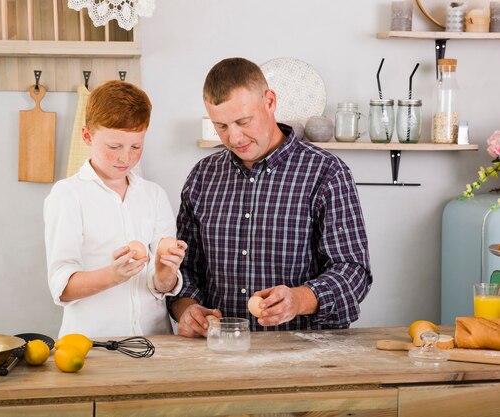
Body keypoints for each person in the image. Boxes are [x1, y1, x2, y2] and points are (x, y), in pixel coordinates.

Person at [168, 58, 372, 337]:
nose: (235, 137)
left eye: (243, 121)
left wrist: (298, 300)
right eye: (221, 126)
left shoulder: (326, 172)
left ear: (270, 101)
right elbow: (185, 269)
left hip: (305, 351)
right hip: (222, 352)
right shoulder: (203, 176)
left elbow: (353, 272)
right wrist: (187, 309)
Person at [44, 80, 187, 338]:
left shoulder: (153, 195)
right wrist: (113, 275)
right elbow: (62, 287)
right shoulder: (68, 195)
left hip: (154, 343)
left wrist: (166, 272)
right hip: (92, 345)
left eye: (136, 146)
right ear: (87, 136)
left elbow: (162, 285)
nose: (125, 158)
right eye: (114, 147)